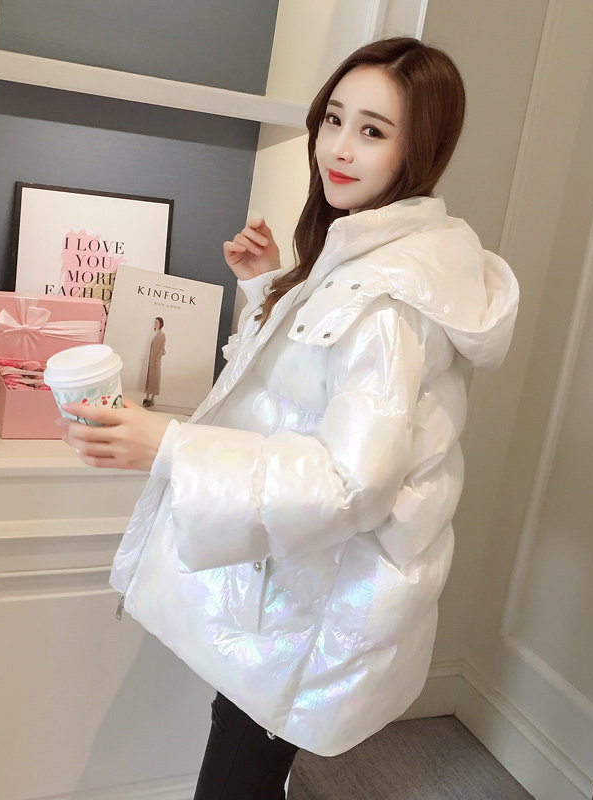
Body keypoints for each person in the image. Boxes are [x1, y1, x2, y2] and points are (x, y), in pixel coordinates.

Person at [58, 36, 519, 800]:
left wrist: (171, 446)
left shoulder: (387, 297)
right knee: (242, 741)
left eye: (372, 130)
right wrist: (269, 286)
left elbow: (348, 482)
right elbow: (312, 389)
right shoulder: (375, 253)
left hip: (318, 595)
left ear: (421, 147)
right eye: (333, 119)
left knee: (240, 766)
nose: (337, 148)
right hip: (303, 580)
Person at [142, 316, 166, 407]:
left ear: (161, 324)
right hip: (149, 360)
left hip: (156, 361)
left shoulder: (162, 335)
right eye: (154, 322)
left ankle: (152, 400)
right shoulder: (152, 334)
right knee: (149, 379)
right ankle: (147, 398)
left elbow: (163, 350)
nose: (155, 324)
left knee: (154, 381)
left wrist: (157, 359)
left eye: (157, 322)